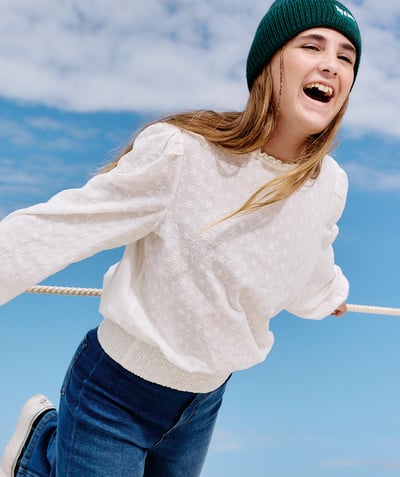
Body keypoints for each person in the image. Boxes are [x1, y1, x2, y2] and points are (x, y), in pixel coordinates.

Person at [0, 0, 361, 475]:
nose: (330, 65)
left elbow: (307, 261)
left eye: (346, 57)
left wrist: (330, 295)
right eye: (311, 46)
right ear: (271, 64)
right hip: (114, 393)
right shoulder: (184, 154)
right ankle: (41, 448)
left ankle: (48, 446)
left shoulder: (328, 185)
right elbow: (64, 224)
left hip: (203, 404)